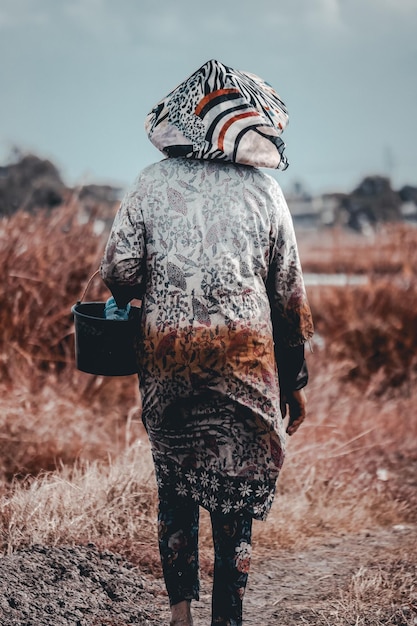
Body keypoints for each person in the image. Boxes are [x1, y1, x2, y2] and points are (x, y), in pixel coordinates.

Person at [100, 59, 314, 626]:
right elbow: (288, 294)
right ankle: (230, 613)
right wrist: (296, 382)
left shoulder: (149, 183)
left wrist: (163, 289)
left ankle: (179, 614)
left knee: (175, 479)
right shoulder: (265, 192)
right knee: (235, 487)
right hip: (245, 362)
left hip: (168, 361)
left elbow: (119, 270)